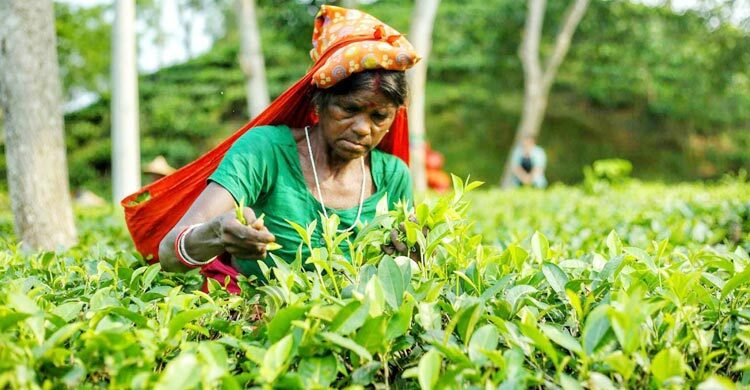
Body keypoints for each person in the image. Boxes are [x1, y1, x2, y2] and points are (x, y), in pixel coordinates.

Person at [145, 6, 420, 292]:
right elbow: (168, 251)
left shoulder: (392, 176)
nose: (364, 128)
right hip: (258, 315)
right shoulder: (265, 151)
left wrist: (415, 254)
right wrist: (216, 234)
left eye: (379, 117)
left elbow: (404, 277)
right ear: (317, 102)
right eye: (349, 109)